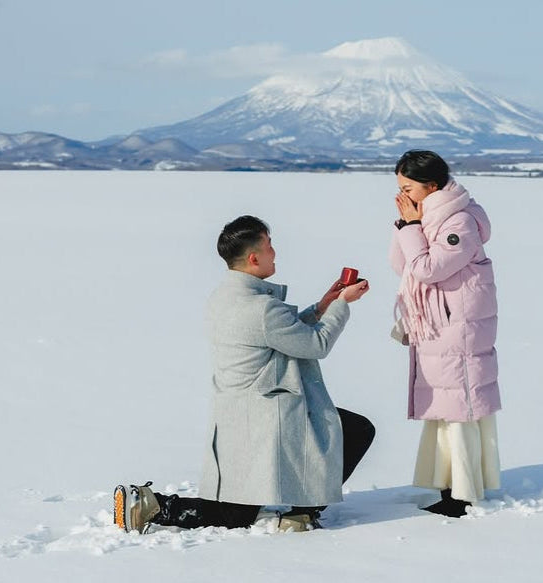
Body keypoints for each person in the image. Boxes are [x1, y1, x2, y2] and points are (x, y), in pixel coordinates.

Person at [114, 215, 374, 534]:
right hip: (270, 418)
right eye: (269, 245)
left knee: (235, 514)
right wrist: (342, 304)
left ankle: (150, 504)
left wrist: (322, 306)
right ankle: (302, 514)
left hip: (236, 418)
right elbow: (315, 344)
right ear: (254, 258)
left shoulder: (224, 298)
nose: (275, 252)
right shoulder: (262, 308)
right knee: (355, 430)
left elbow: (282, 333)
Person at [389, 150, 502, 517]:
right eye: (399, 188)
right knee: (443, 406)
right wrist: (407, 225)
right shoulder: (429, 217)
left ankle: (463, 493)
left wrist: (411, 227)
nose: (402, 195)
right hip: (439, 325)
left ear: (432, 186)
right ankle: (446, 485)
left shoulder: (459, 222)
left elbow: (428, 269)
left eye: (408, 188)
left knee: (459, 409)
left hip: (458, 329)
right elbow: (402, 265)